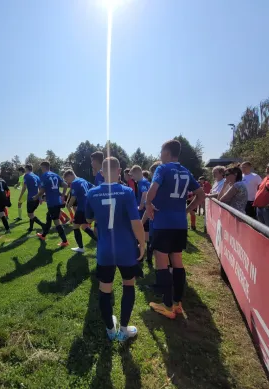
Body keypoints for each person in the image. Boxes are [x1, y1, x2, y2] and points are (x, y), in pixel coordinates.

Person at [85, 157, 145, 342]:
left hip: (104, 250)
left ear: (101, 173)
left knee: (104, 290)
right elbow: (136, 223)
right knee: (128, 285)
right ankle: (124, 330)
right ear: (119, 170)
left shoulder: (92, 193)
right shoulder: (126, 192)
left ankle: (111, 331)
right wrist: (142, 244)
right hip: (126, 249)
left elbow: (88, 220)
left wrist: (100, 224)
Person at [146, 140, 205, 319]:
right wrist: (186, 210)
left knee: (162, 262)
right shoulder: (186, 171)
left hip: (163, 223)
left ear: (166, 152)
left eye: (161, 151)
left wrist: (148, 204)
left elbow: (152, 190)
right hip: (180, 224)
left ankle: (167, 305)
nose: (160, 154)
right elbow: (201, 195)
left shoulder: (162, 169)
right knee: (177, 261)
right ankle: (178, 303)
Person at [33, 161, 69, 246]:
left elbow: (42, 190)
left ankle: (65, 241)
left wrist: (36, 197)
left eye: (41, 168)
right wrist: (63, 195)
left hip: (52, 203)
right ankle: (43, 235)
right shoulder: (55, 175)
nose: (41, 169)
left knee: (56, 222)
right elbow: (65, 185)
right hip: (57, 201)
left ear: (44, 167)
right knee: (48, 217)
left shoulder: (44, 176)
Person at [63, 170, 97, 253]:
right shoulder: (82, 180)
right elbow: (93, 187)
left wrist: (68, 205)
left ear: (70, 175)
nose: (68, 182)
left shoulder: (74, 183)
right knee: (84, 226)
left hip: (81, 208)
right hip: (88, 206)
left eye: (67, 180)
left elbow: (73, 197)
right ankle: (101, 243)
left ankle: (81, 248)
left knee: (75, 226)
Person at [130, 165, 152, 264]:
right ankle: (149, 258)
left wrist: (141, 206)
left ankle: (140, 259)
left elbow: (145, 193)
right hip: (147, 213)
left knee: (139, 237)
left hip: (143, 214)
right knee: (147, 238)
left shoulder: (141, 182)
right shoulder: (146, 181)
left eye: (132, 175)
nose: (132, 178)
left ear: (137, 172)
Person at [18, 164, 46, 233]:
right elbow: (40, 188)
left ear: (27, 169)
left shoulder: (26, 176)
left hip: (31, 198)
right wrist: (40, 197)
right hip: (37, 198)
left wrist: (20, 196)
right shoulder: (37, 176)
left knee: (30, 214)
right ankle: (31, 228)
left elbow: (24, 188)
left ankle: (43, 225)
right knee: (32, 213)